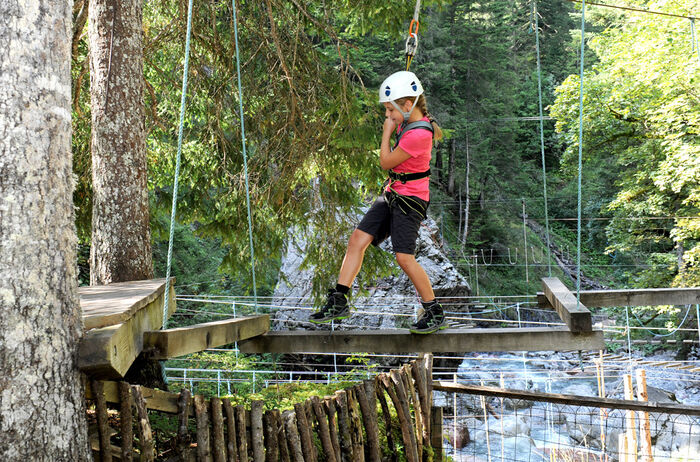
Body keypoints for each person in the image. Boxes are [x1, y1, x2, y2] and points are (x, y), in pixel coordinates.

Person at [309, 70, 447, 334]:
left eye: (389, 111)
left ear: (407, 106)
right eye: (387, 112)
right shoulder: (409, 119)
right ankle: (340, 298)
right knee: (357, 240)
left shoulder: (419, 133)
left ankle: (434, 310)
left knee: (404, 258)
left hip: (411, 200)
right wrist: (398, 109)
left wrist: (386, 132)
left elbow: (385, 161)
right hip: (394, 193)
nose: (388, 116)